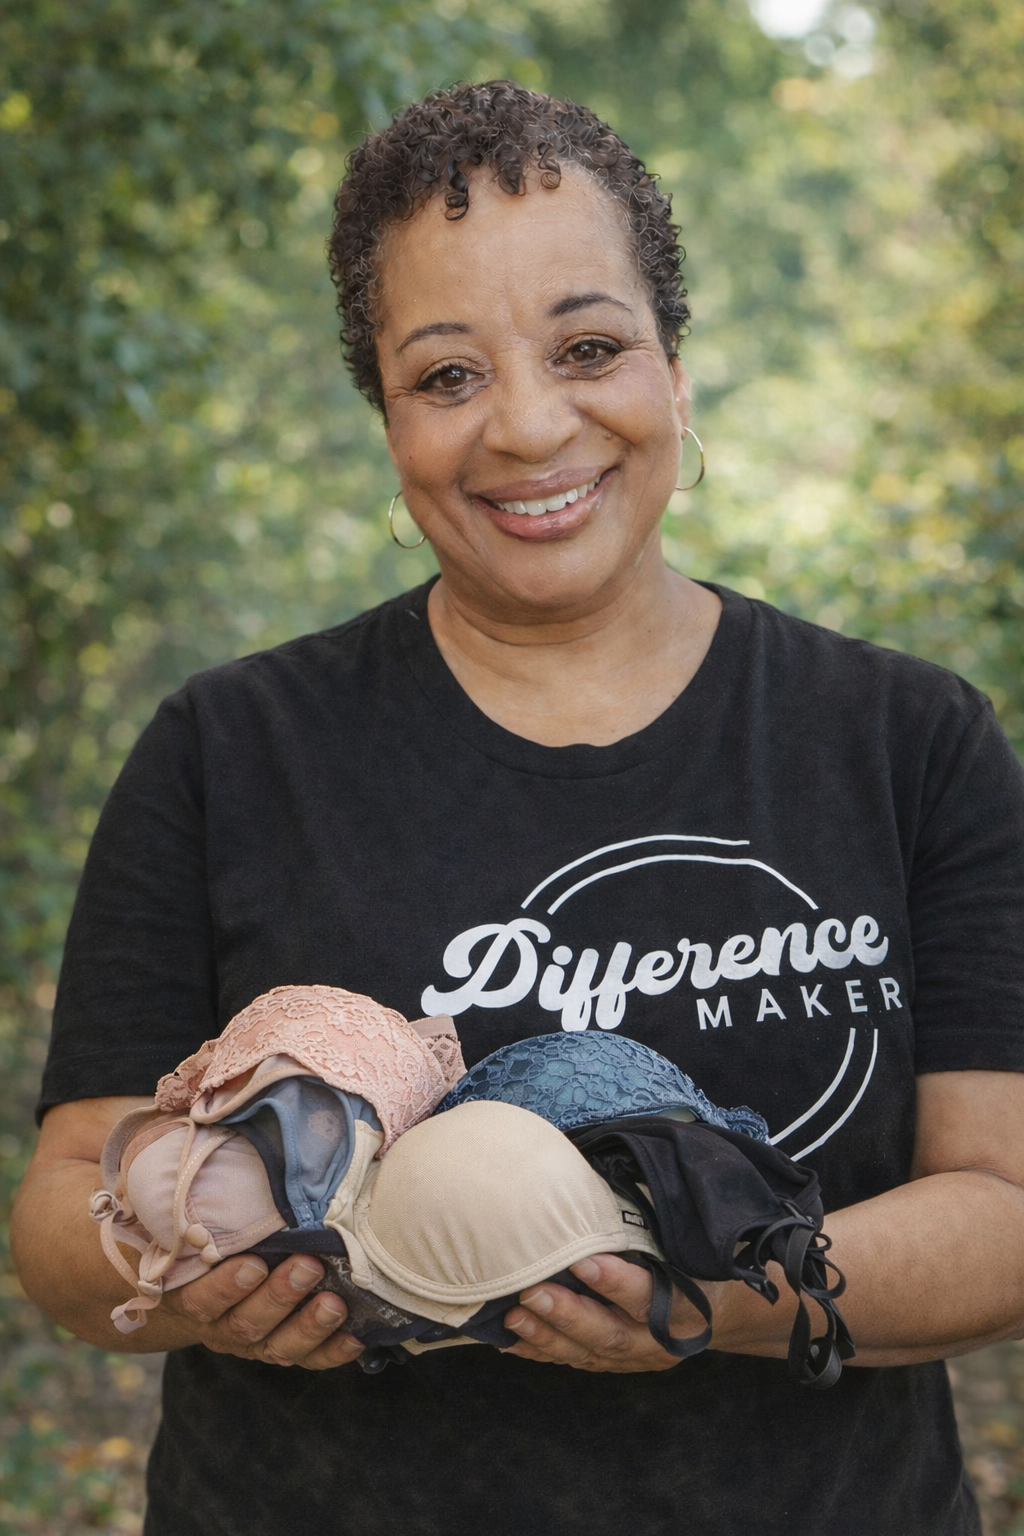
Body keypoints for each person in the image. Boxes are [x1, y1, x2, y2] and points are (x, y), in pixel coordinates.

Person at [11, 79, 1024, 1536]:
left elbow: (1002, 1208)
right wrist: (197, 1285)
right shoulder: (227, 750)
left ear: (676, 371)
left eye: (590, 347)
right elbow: (62, 1216)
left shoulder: (905, 739)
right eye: (446, 376)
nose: (531, 426)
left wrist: (732, 1299)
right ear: (386, 420)